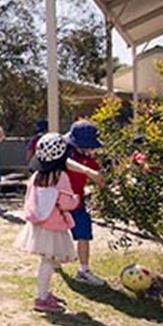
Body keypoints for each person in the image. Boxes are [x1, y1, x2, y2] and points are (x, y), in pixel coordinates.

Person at [14, 132, 79, 313]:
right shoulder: (61, 178)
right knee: (48, 262)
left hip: (38, 225)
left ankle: (44, 293)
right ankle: (41, 298)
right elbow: (66, 203)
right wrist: (77, 199)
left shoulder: (36, 176)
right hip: (54, 226)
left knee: (46, 261)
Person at [64, 119, 106, 286]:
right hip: (59, 201)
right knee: (56, 235)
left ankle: (83, 270)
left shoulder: (89, 157)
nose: (89, 149)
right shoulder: (66, 153)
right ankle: (52, 262)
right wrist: (88, 171)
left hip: (77, 201)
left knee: (83, 234)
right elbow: (65, 162)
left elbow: (101, 173)